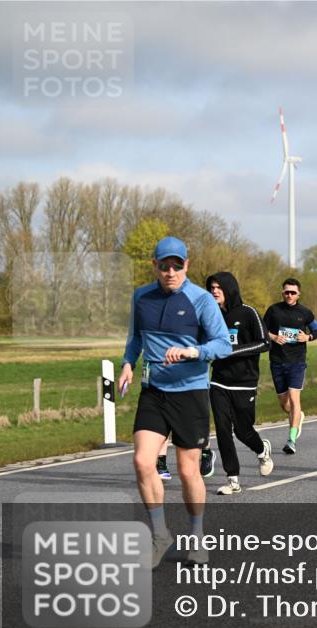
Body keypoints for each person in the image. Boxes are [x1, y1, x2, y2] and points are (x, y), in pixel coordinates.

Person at [118, 237, 232, 568]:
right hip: (154, 391)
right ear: (155, 265)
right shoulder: (141, 297)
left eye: (177, 266)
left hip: (190, 392)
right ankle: (160, 536)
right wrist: (128, 363)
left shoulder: (201, 300)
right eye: (165, 266)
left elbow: (223, 344)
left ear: (187, 265)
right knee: (143, 461)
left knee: (186, 470)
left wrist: (193, 351)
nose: (171, 272)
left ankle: (197, 537)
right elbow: (136, 338)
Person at [205, 272, 274, 496]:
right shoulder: (211, 316)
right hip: (219, 381)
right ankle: (232, 479)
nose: (214, 291)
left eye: (218, 287)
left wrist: (232, 351)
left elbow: (265, 343)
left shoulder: (248, 313)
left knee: (243, 431)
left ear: (230, 288)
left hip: (244, 382)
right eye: (211, 288)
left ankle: (262, 450)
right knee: (222, 429)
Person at [263, 278, 317, 454]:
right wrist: (274, 337)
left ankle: (291, 439)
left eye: (293, 292)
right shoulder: (273, 310)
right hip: (277, 361)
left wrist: (308, 337)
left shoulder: (305, 312)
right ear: (282, 293)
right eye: (286, 292)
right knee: (284, 403)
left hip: (297, 362)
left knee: (295, 399)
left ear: (298, 294)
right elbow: (262, 330)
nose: (289, 295)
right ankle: (298, 415)